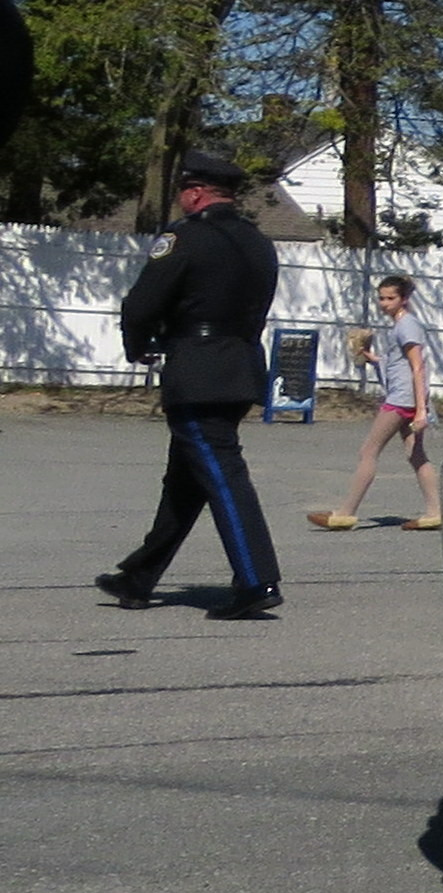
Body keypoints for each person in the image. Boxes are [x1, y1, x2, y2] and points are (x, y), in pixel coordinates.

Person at [96, 147, 287, 619]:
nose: (182, 199)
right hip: (241, 363)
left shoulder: (185, 239)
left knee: (222, 473)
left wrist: (136, 343)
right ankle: (139, 577)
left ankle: (256, 579)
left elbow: (142, 303)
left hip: (198, 370)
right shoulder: (258, 242)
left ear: (196, 192)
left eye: (184, 190)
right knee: (185, 481)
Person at [313, 274, 440, 532]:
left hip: (402, 400)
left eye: (390, 298)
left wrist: (421, 411)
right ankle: (436, 512)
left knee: (368, 451)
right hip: (406, 397)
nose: (384, 303)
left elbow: (417, 368)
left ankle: (345, 514)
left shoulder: (407, 326)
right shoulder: (402, 325)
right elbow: (399, 365)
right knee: (416, 454)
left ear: (404, 299)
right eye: (381, 298)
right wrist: (373, 358)